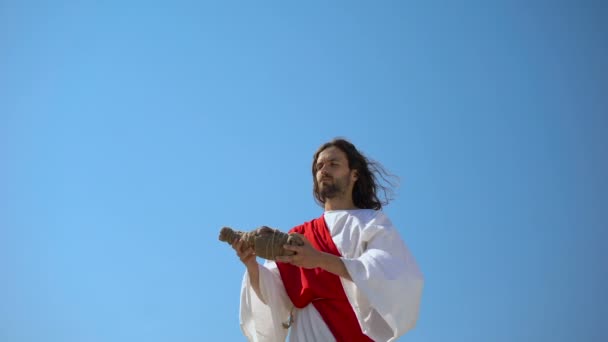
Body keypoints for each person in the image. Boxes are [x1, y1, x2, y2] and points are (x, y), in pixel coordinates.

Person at [231, 138, 424, 342]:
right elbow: (275, 298)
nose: (324, 170)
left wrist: (319, 259)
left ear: (354, 174)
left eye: (334, 164)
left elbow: (390, 274)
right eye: (319, 166)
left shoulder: (371, 222)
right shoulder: (299, 234)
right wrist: (252, 266)